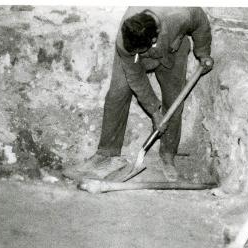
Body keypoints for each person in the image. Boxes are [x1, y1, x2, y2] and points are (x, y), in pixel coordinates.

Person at [66, 7, 213, 181]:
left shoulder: (180, 14)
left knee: (174, 100)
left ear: (154, 37)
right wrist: (154, 112)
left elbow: (201, 21)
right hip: (134, 58)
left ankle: (167, 154)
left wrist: (203, 53)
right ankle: (107, 154)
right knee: (117, 94)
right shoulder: (125, 40)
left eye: (139, 50)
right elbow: (136, 79)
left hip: (173, 50)